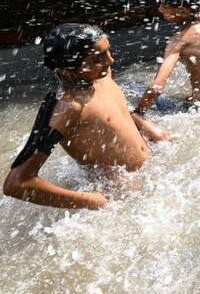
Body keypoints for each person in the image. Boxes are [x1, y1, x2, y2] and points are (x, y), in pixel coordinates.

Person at [4, 25, 169, 210]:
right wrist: (92, 201)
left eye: (108, 52)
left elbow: (112, 113)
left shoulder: (99, 75)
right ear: (67, 70)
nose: (111, 60)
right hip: (123, 199)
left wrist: (141, 123)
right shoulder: (66, 108)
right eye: (99, 58)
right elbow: (17, 183)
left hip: (153, 173)